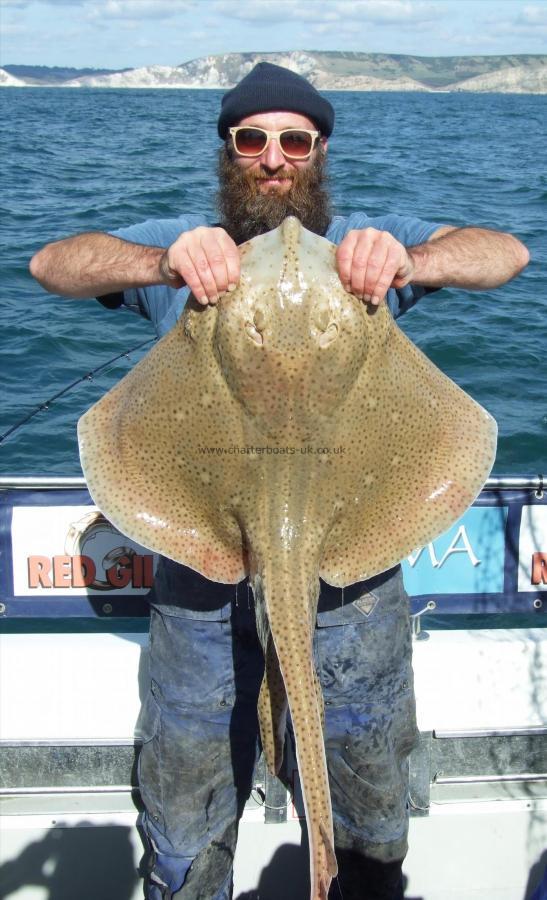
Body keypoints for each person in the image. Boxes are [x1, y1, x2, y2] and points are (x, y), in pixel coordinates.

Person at [30, 63, 529, 900]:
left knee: (364, 800)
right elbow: (53, 263)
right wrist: (161, 262)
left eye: (292, 140)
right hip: (198, 580)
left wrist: (407, 259)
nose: (272, 157)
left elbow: (504, 254)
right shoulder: (190, 249)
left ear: (318, 149)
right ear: (229, 151)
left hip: (354, 584)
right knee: (187, 809)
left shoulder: (367, 244)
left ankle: (357, 875)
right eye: (251, 139)